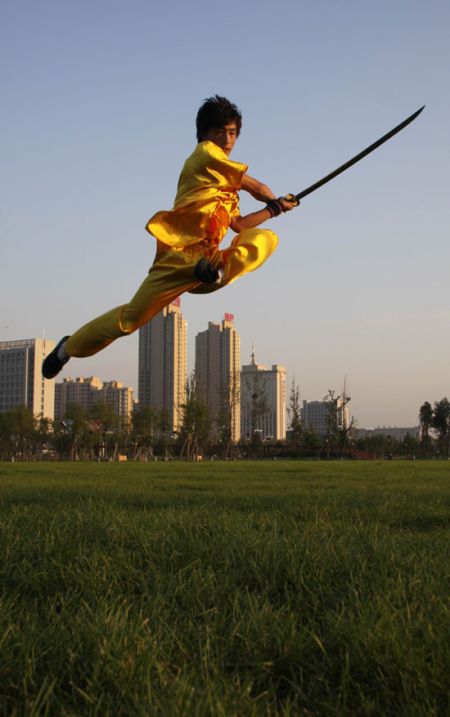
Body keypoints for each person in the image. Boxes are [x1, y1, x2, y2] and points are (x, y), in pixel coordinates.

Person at [42, 95, 299, 379]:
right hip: (176, 261)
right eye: (219, 132)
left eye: (232, 133)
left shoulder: (228, 190)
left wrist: (275, 209)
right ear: (204, 135)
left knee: (266, 238)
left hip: (207, 267)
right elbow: (257, 186)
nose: (226, 139)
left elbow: (239, 225)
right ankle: (67, 349)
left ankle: (217, 272)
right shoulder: (204, 154)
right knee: (128, 320)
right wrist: (273, 196)